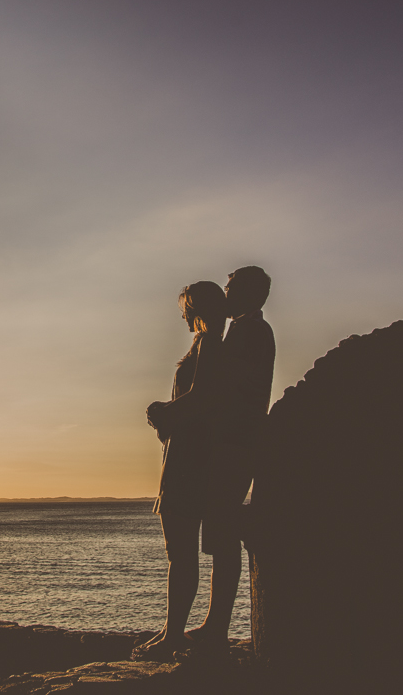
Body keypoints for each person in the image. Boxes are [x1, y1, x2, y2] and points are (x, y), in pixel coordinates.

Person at [133, 280, 228, 661]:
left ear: (194, 308)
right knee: (181, 552)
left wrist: (162, 412)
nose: (182, 315)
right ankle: (172, 629)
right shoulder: (208, 345)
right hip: (187, 453)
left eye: (184, 308)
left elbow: (203, 399)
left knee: (180, 551)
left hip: (187, 459)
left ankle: (174, 635)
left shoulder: (208, 345)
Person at [185, 265, 276, 649]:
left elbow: (224, 384)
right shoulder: (244, 329)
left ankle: (216, 626)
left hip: (237, 442)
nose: (225, 292)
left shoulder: (253, 331)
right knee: (220, 531)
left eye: (230, 285)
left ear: (250, 293)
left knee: (222, 532)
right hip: (233, 440)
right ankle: (215, 624)